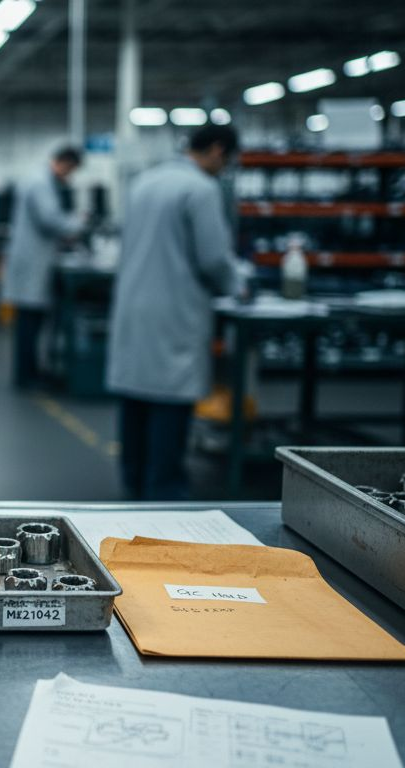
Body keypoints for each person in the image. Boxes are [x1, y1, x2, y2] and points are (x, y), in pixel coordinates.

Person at [105, 124, 244, 501]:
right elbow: (213, 259)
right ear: (217, 150)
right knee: (170, 397)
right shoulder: (200, 189)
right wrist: (239, 286)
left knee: (136, 397)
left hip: (134, 307)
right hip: (175, 311)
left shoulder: (144, 182)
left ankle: (133, 482)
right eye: (227, 160)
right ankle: (164, 492)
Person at [3, 146, 84, 386]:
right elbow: (51, 220)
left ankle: (30, 372)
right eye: (70, 170)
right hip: (33, 262)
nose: (69, 177)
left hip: (33, 260)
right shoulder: (40, 183)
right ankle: (27, 376)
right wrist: (78, 222)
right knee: (29, 321)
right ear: (65, 163)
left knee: (31, 321)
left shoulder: (40, 180)